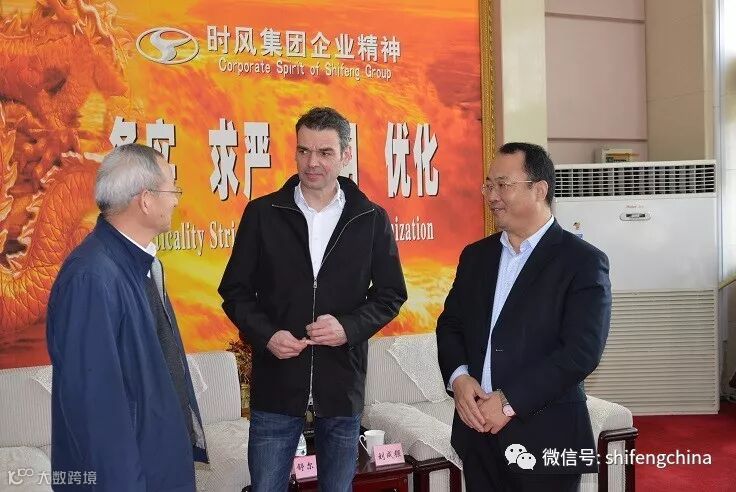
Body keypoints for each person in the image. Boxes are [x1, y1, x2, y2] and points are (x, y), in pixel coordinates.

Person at [219, 107, 407, 491]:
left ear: (346, 155)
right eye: (304, 151)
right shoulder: (263, 214)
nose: (312, 162)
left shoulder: (371, 218)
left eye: (324, 152)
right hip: (276, 383)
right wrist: (267, 335)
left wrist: (348, 327)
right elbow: (234, 291)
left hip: (340, 385)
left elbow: (391, 294)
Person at [436, 142, 611, 491]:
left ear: (539, 190)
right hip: (478, 436)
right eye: (489, 185)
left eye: (503, 184)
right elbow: (450, 324)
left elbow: (581, 352)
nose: (492, 196)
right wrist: (459, 378)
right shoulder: (476, 257)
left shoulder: (582, 261)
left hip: (546, 436)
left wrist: (508, 401)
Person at [46, 143, 207, 491]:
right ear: (146, 200)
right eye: (172, 190)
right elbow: (95, 411)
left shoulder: (137, 265)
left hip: (159, 467)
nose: (175, 201)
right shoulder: (92, 277)